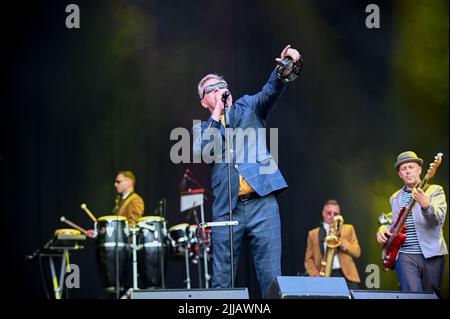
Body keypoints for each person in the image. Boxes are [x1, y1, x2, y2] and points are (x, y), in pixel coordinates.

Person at [193, 44, 301, 298]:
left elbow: (270, 90)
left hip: (262, 203)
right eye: (211, 88)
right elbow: (202, 151)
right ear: (203, 101)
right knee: (222, 282)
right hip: (226, 209)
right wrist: (217, 115)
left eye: (222, 84)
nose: (219, 89)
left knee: (272, 280)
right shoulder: (201, 129)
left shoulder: (248, 108)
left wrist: (286, 65)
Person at [376, 151, 447, 293]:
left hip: (431, 254)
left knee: (431, 295)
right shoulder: (395, 198)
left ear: (420, 169)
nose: (408, 171)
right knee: (411, 294)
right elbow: (394, 222)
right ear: (399, 174)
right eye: (403, 169)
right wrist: (383, 228)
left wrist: (427, 206)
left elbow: (439, 219)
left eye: (411, 167)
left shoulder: (435, 190)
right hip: (404, 255)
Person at [304, 199, 361, 290]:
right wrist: (315, 275)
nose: (332, 216)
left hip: (347, 276)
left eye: (335, 214)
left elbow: (357, 252)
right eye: (329, 213)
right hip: (324, 275)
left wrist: (343, 243)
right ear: (323, 213)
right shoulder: (313, 234)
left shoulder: (349, 229)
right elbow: (308, 259)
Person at [86, 170, 145, 238]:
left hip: (126, 244)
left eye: (118, 182)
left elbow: (133, 224)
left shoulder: (135, 200)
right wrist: (98, 232)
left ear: (129, 182)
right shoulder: (121, 200)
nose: (115, 184)